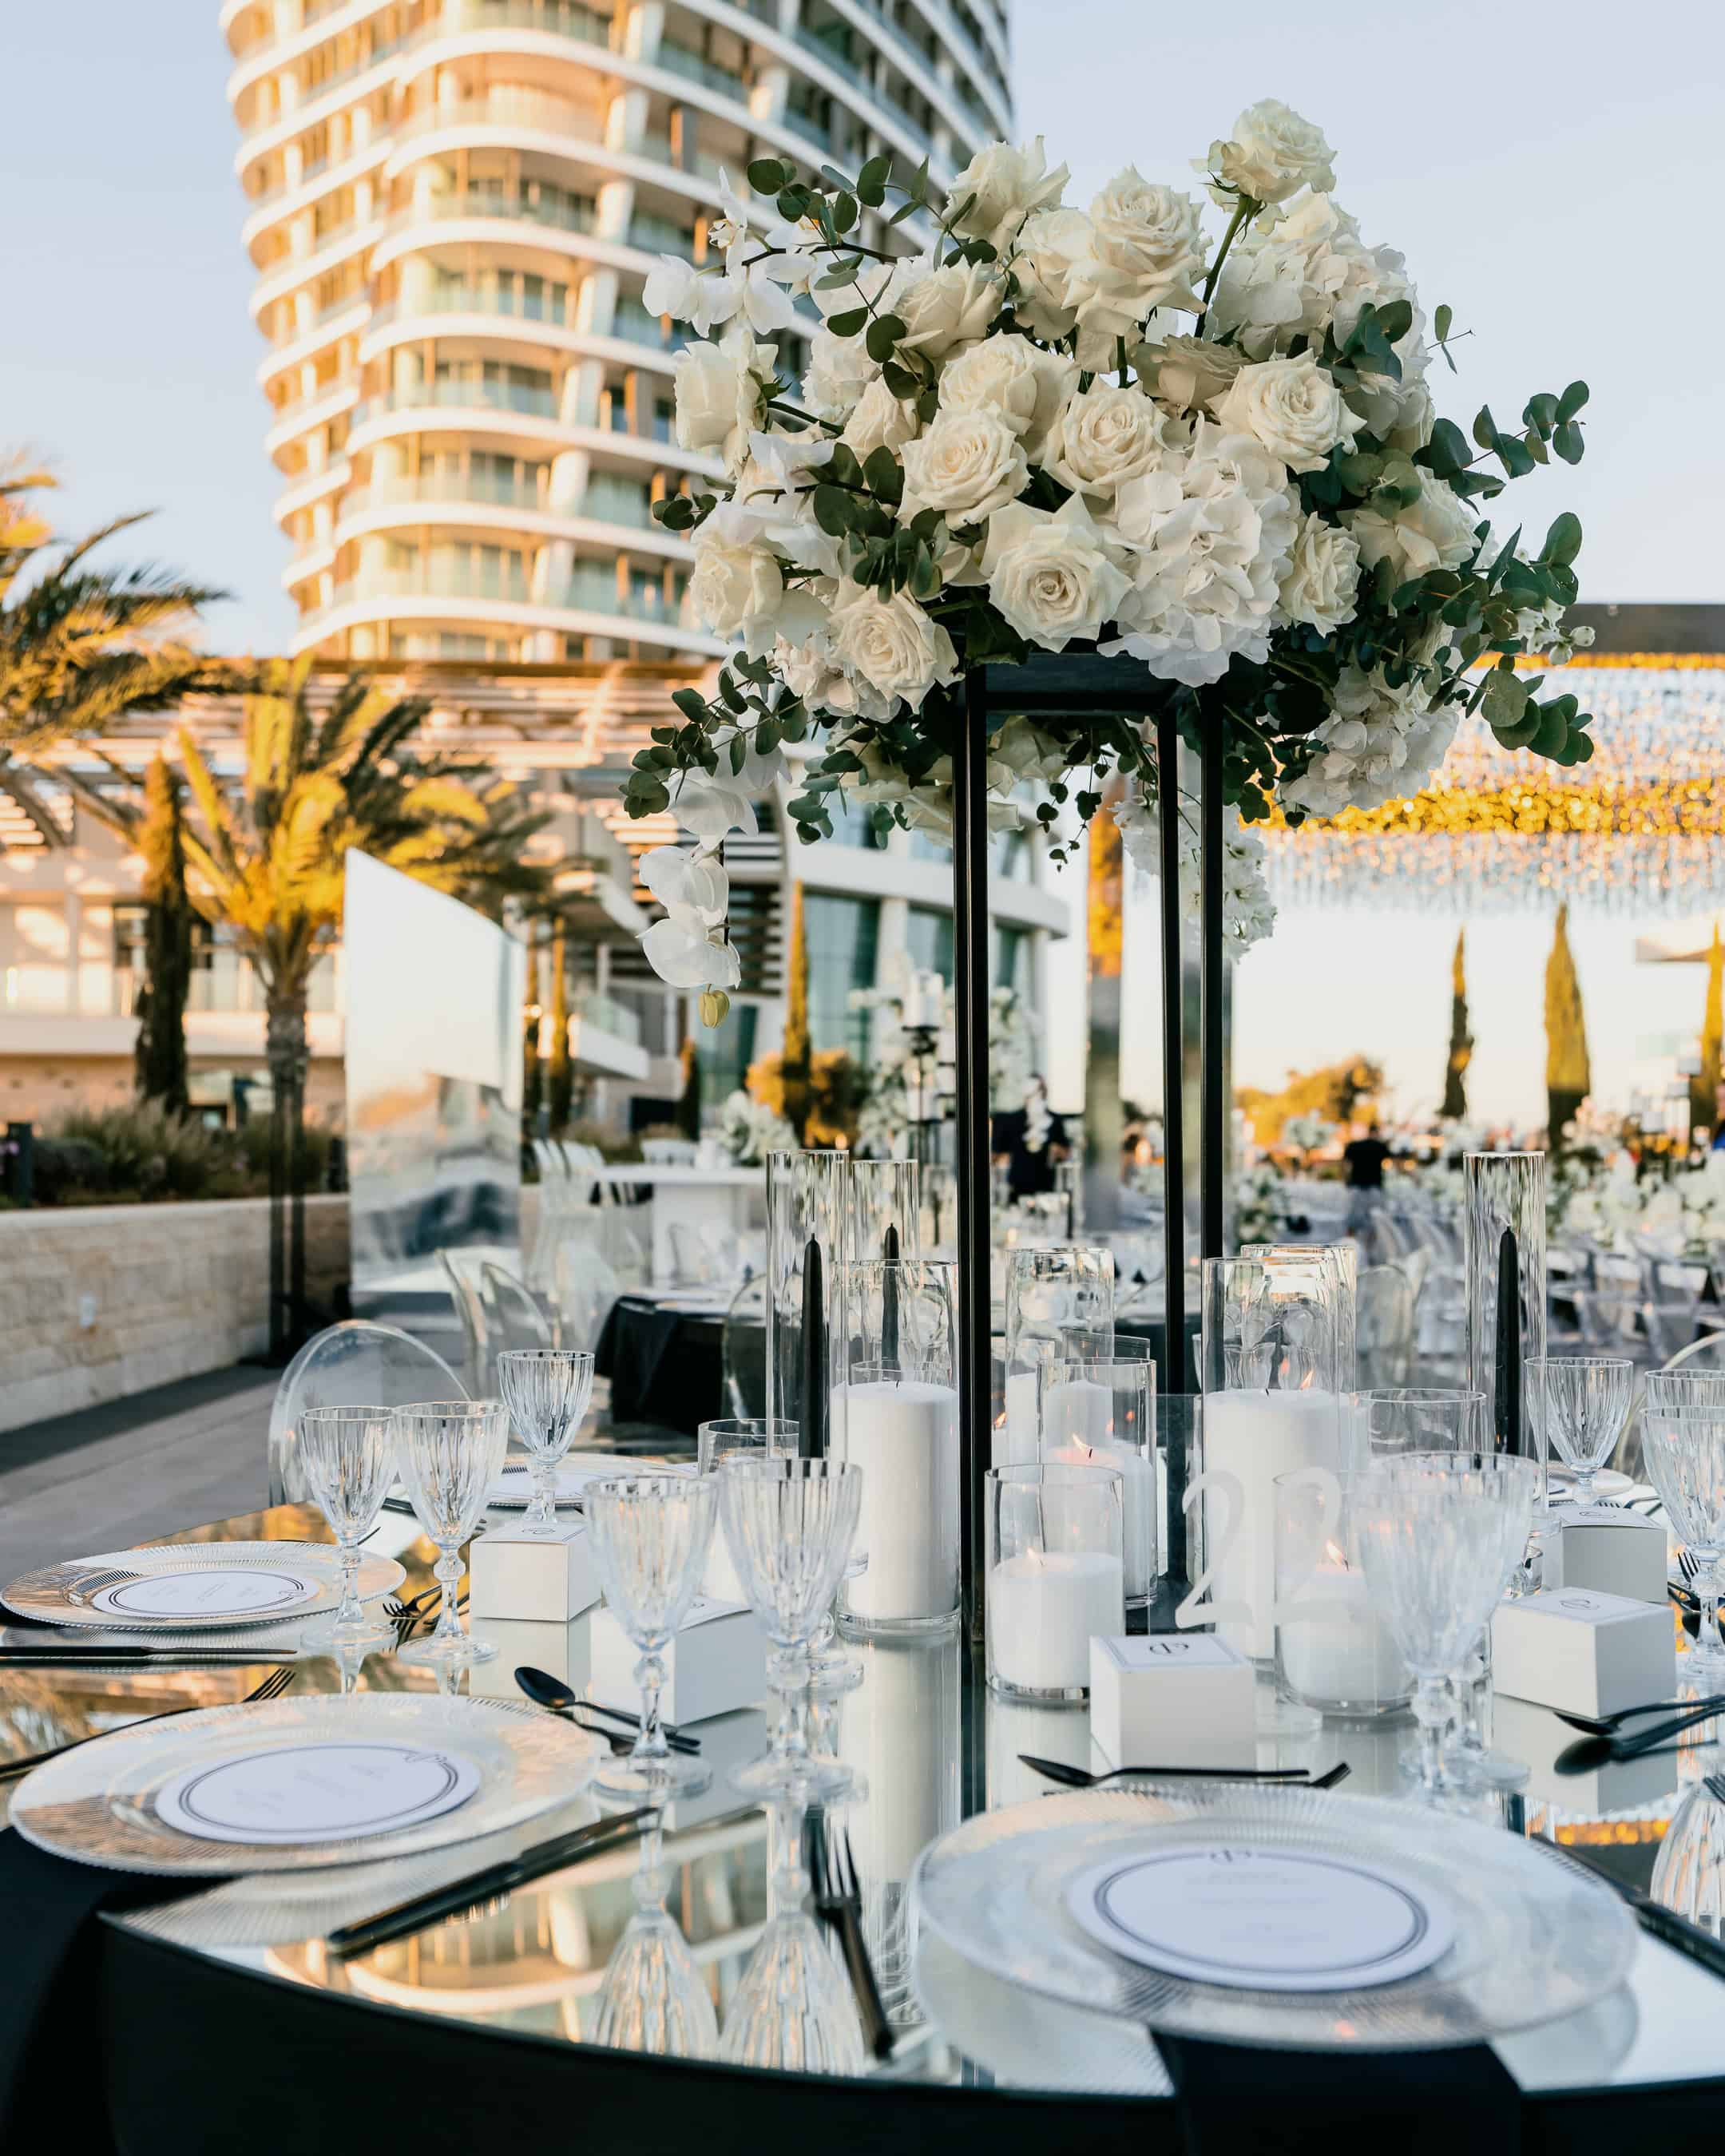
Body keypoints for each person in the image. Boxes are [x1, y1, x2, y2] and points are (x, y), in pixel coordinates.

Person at [992, 1075, 1069, 1200]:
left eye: (1039, 1093)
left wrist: (1055, 1150)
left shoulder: (1054, 1121)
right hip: (1017, 1189)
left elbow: (1065, 1154)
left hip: (1047, 1189)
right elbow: (997, 1156)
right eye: (1031, 1095)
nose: (1035, 1098)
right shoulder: (1012, 1121)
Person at [1342, 1120, 1394, 1235]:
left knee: (1353, 1218)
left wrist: (1347, 1180)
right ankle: (1370, 1243)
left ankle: (1350, 1240)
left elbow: (1346, 1165)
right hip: (1374, 1187)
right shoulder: (1380, 1146)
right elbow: (1394, 1161)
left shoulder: (1354, 1145)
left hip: (1357, 1186)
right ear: (1377, 1133)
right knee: (1375, 1220)